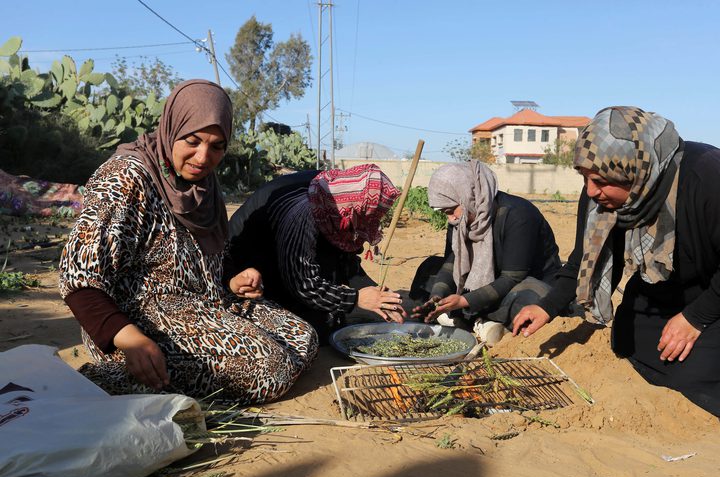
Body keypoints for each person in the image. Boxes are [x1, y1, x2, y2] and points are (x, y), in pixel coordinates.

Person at [59, 79, 317, 403]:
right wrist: (129, 338)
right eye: (192, 141)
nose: (203, 156)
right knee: (270, 368)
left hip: (202, 304)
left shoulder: (204, 187)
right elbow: (78, 278)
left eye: (217, 146)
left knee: (303, 338)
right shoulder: (127, 177)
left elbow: (200, 260)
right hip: (137, 322)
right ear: (172, 127)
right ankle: (112, 377)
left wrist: (231, 281)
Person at [512, 105, 720, 416]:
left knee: (693, 374)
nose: (591, 191)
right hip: (663, 291)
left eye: (600, 182)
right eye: (584, 177)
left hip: (711, 298)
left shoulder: (706, 178)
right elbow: (583, 260)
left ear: (636, 173)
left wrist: (695, 319)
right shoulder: (601, 184)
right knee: (625, 339)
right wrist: (547, 305)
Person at [226, 164, 406, 340]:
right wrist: (356, 298)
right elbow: (302, 284)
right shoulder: (302, 215)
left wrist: (377, 294)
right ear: (351, 211)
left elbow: (345, 258)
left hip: (289, 249)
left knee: (331, 308)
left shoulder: (339, 195)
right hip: (254, 258)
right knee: (314, 330)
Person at [410, 160, 562, 345]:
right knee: (430, 269)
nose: (451, 219)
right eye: (445, 213)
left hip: (521, 283)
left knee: (531, 297)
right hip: (482, 284)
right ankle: (480, 322)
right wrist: (437, 297)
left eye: (451, 211)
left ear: (469, 197)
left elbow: (512, 278)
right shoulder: (460, 218)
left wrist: (463, 301)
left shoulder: (518, 215)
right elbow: (452, 261)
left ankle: (468, 319)